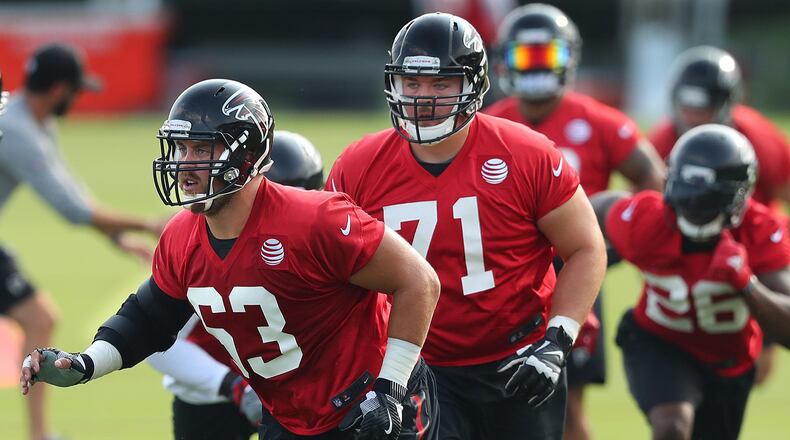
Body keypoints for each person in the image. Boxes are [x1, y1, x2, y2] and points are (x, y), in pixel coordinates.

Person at [20, 78, 442, 440]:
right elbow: (147, 320)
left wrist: (391, 388)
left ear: (244, 156)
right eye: (180, 148)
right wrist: (83, 364)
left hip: (373, 404)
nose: (184, 164)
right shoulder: (182, 238)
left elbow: (418, 281)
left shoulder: (314, 219)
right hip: (291, 416)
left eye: (200, 150)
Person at [327, 12, 606, 440]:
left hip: (518, 358)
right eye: (412, 83)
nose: (424, 97)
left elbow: (586, 247)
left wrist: (557, 341)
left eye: (442, 84)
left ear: (473, 84)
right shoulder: (359, 167)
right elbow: (333, 276)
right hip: (419, 366)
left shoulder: (526, 153)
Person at [483, 5, 666, 438]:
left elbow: (653, 181)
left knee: (566, 406)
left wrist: (622, 235)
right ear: (505, 60)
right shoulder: (491, 123)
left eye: (546, 55)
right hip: (511, 278)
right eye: (526, 57)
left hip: (573, 271)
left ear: (569, 58)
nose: (537, 67)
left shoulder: (600, 121)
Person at [0, 43, 163, 440]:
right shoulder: (18, 131)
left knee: (41, 318)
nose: (75, 100)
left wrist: (116, 237)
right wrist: (149, 224)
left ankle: (40, 434)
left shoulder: (31, 121)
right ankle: (40, 435)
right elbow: (72, 208)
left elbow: (72, 194)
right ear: (59, 91)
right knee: (40, 318)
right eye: (75, 91)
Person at [592, 124, 790, 440]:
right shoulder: (648, 220)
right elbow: (592, 211)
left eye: (706, 203)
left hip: (729, 360)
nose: (694, 210)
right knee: (672, 425)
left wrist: (747, 285)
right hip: (659, 342)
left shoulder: (761, 230)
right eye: (687, 198)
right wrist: (588, 256)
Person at [146, 130, 326, 440]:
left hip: (303, 392)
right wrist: (230, 384)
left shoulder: (322, 237)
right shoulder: (201, 248)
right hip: (215, 399)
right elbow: (155, 342)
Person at [648, 45, 790, 383]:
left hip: (753, 252)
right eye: (687, 107)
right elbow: (653, 210)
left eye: (704, 107)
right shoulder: (665, 140)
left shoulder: (759, 138)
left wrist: (774, 248)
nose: (694, 117)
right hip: (689, 253)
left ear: (727, 104)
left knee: (753, 370)